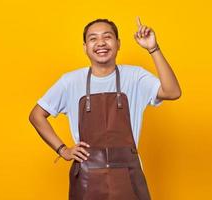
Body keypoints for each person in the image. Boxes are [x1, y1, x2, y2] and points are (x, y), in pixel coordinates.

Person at [29, 17, 181, 200]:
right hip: (86, 175)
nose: (101, 43)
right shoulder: (70, 81)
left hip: (128, 175)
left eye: (107, 37)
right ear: (85, 47)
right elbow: (36, 115)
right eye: (93, 38)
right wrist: (62, 150)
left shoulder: (135, 76)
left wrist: (153, 48)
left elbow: (172, 92)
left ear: (118, 43)